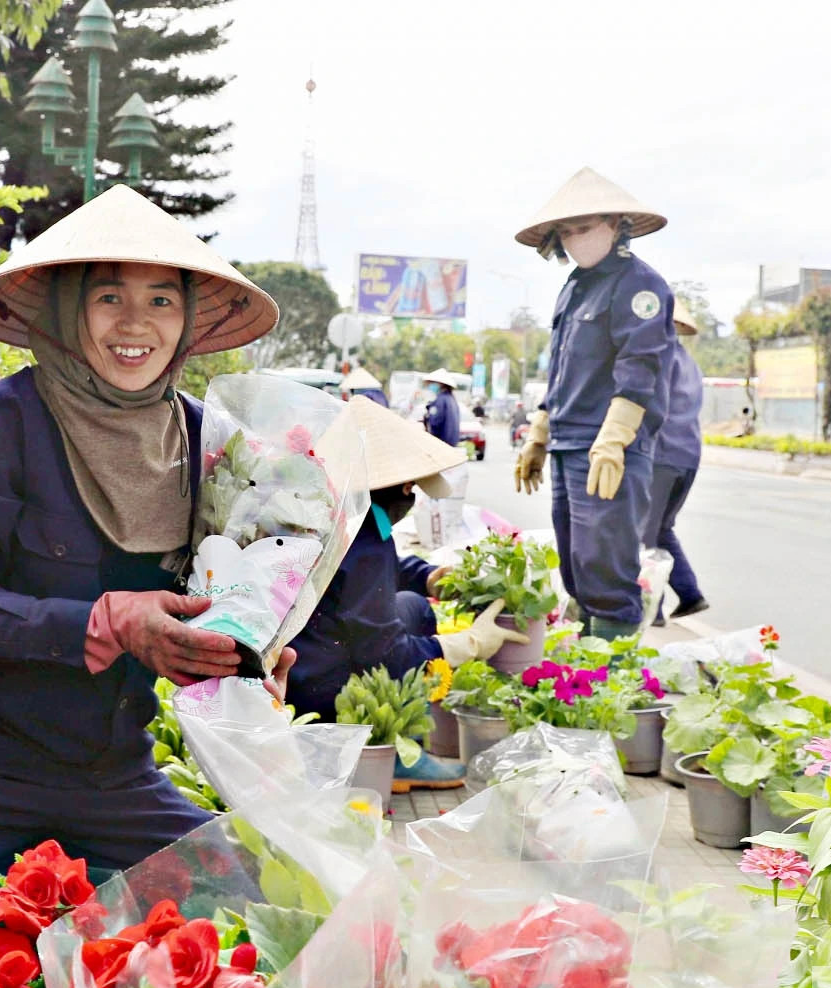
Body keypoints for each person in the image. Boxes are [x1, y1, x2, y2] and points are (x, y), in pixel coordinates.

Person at [0, 185, 286, 905]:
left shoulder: (212, 447)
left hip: (113, 777)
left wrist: (243, 648)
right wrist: (105, 621)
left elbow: (221, 591)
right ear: (64, 310)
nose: (135, 325)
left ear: (184, 324)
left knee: (249, 904)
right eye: (108, 298)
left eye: (161, 301)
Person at [287, 397, 528, 790]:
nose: (412, 493)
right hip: (321, 696)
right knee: (413, 617)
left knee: (413, 603)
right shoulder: (364, 538)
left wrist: (432, 577)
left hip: (297, 671)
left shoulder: (336, 511)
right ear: (396, 486)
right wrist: (467, 644)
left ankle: (393, 750)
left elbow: (373, 574)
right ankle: (395, 752)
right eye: (411, 486)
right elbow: (388, 654)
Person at [510, 167, 674, 640]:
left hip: (608, 448)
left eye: (585, 227)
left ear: (615, 223)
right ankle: (582, 674)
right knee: (578, 569)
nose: (576, 239)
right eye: (567, 231)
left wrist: (615, 438)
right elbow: (563, 372)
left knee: (607, 572)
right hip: (568, 443)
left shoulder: (640, 285)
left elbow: (640, 367)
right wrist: (539, 433)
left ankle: (612, 680)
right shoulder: (574, 287)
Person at [647, 299, 708, 625]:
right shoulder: (688, 362)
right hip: (688, 457)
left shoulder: (656, 356)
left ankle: (651, 609)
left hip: (662, 456)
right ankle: (690, 594)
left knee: (643, 533)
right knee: (660, 529)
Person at [422, 370, 465, 445]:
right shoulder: (452, 399)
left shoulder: (440, 400)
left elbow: (435, 423)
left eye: (432, 383)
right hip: (452, 443)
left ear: (440, 384)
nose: (430, 385)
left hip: (442, 443)